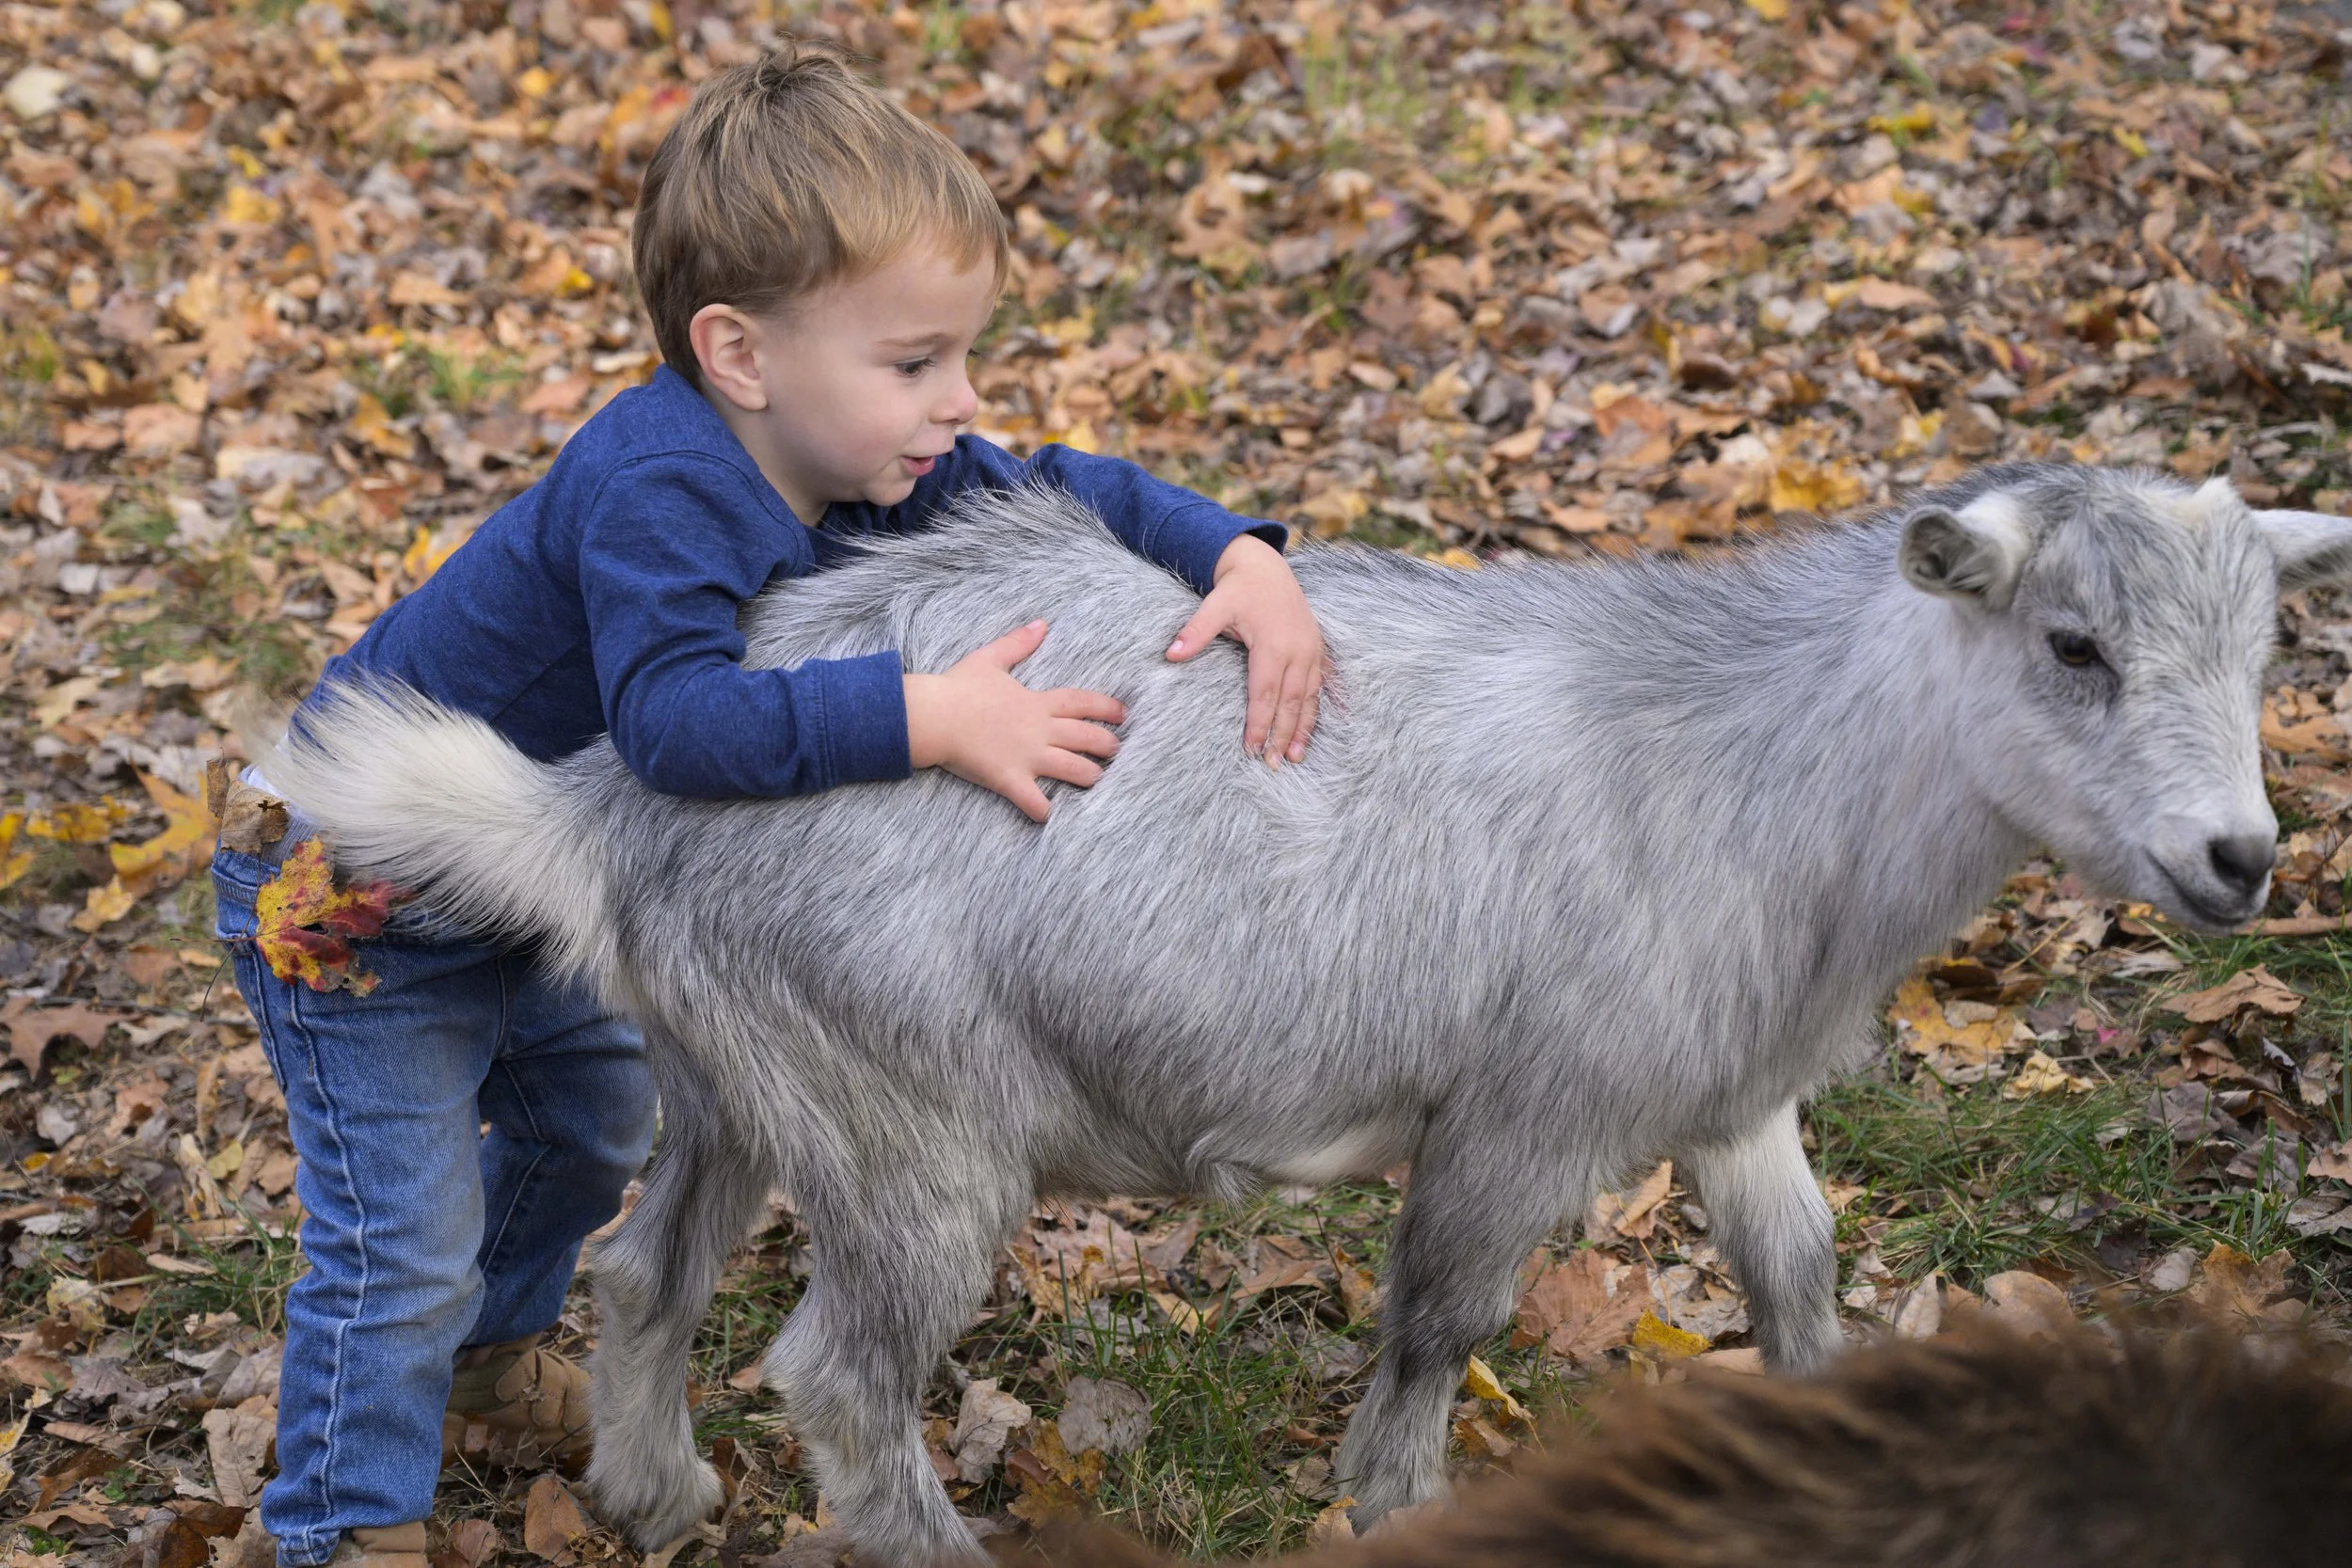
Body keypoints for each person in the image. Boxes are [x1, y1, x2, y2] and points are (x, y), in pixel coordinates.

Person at [209, 38, 1327, 1568]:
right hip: (356, 891)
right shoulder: (661, 485)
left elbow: (1059, 487)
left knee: (588, 1124)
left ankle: (484, 1357)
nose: (962, 400)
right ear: (741, 356)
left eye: (961, 356)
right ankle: (344, 1519)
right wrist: (929, 713)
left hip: (541, 877)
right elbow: (678, 725)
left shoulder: (863, 456)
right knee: (398, 1237)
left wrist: (1239, 555)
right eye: (917, 361)